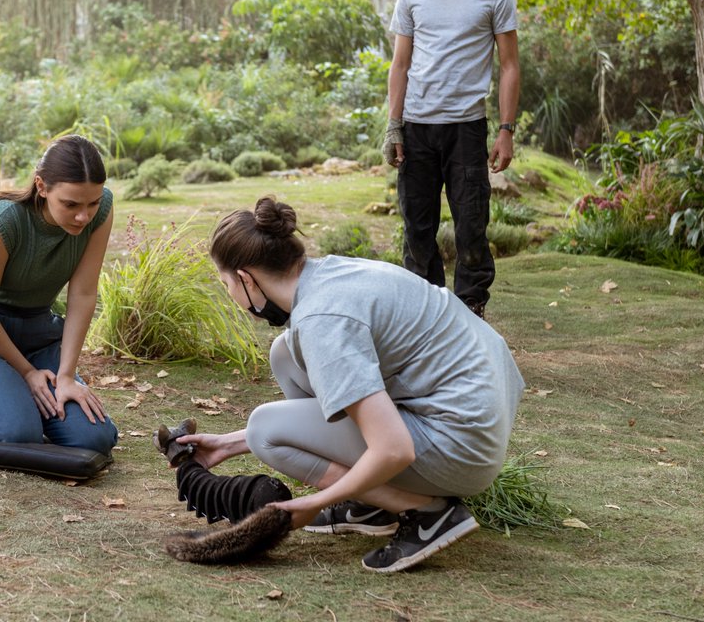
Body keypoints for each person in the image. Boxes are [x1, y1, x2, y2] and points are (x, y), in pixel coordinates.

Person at [178, 196, 525, 573]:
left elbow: (394, 449)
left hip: (462, 446)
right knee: (285, 354)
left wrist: (315, 502)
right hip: (474, 415)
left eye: (226, 284)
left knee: (266, 428)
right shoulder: (329, 275)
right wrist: (229, 444)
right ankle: (371, 506)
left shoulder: (322, 321)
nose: (230, 295)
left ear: (245, 278)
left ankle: (427, 513)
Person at [0, 134, 119, 455]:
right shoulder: (3, 221)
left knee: (94, 438)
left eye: (92, 203)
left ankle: (11, 397)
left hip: (37, 336)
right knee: (16, 434)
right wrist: (27, 373)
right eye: (71, 204)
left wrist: (65, 377)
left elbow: (83, 293)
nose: (84, 216)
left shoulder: (99, 210)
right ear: (42, 187)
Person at [384, 0, 521, 319]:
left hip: (466, 128)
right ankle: (425, 313)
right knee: (417, 227)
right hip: (417, 128)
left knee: (471, 225)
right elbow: (400, 64)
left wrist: (506, 130)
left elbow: (510, 66)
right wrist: (393, 126)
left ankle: (471, 309)